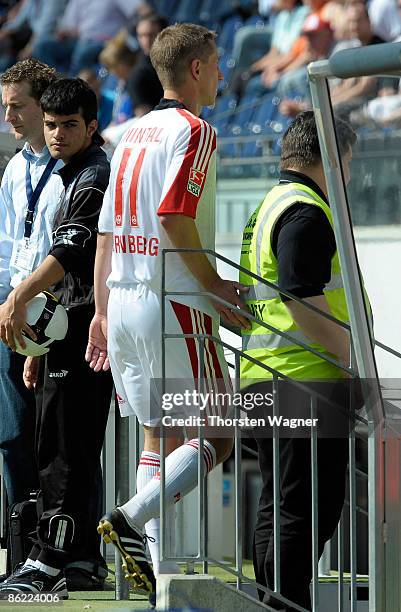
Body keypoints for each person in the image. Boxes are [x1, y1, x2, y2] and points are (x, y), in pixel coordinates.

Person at [85, 22, 250, 601]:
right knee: (220, 434)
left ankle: (159, 579)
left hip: (124, 300)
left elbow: (106, 233)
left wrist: (100, 314)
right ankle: (130, 518)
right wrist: (217, 289)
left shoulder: (127, 134)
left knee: (155, 436)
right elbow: (175, 215)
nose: (225, 74)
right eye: (218, 63)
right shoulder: (195, 131)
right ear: (198, 69)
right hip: (174, 300)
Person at [239, 111, 360, 610]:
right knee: (309, 507)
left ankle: (276, 598)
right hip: (304, 380)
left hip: (265, 379)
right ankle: (286, 602)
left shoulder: (269, 204)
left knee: (283, 504)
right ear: (332, 159)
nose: (348, 177)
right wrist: (351, 357)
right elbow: (298, 295)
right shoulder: (307, 210)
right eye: (347, 163)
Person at [0, 78, 113, 598]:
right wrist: (36, 344)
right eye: (52, 125)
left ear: (92, 126)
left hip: (85, 325)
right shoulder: (68, 170)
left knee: (63, 449)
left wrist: (19, 296)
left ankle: (48, 562)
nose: (59, 134)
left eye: (70, 125)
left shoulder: (92, 175)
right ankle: (81, 560)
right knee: (61, 444)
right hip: (61, 330)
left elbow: (68, 252)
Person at [0, 59, 61, 509]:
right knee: (13, 431)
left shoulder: (73, 168)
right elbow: (6, 246)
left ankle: (69, 544)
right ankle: (24, 536)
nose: (8, 118)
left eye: (17, 106)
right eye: (6, 107)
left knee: (59, 434)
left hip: (57, 310)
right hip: (11, 308)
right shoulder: (15, 169)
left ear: (44, 106)